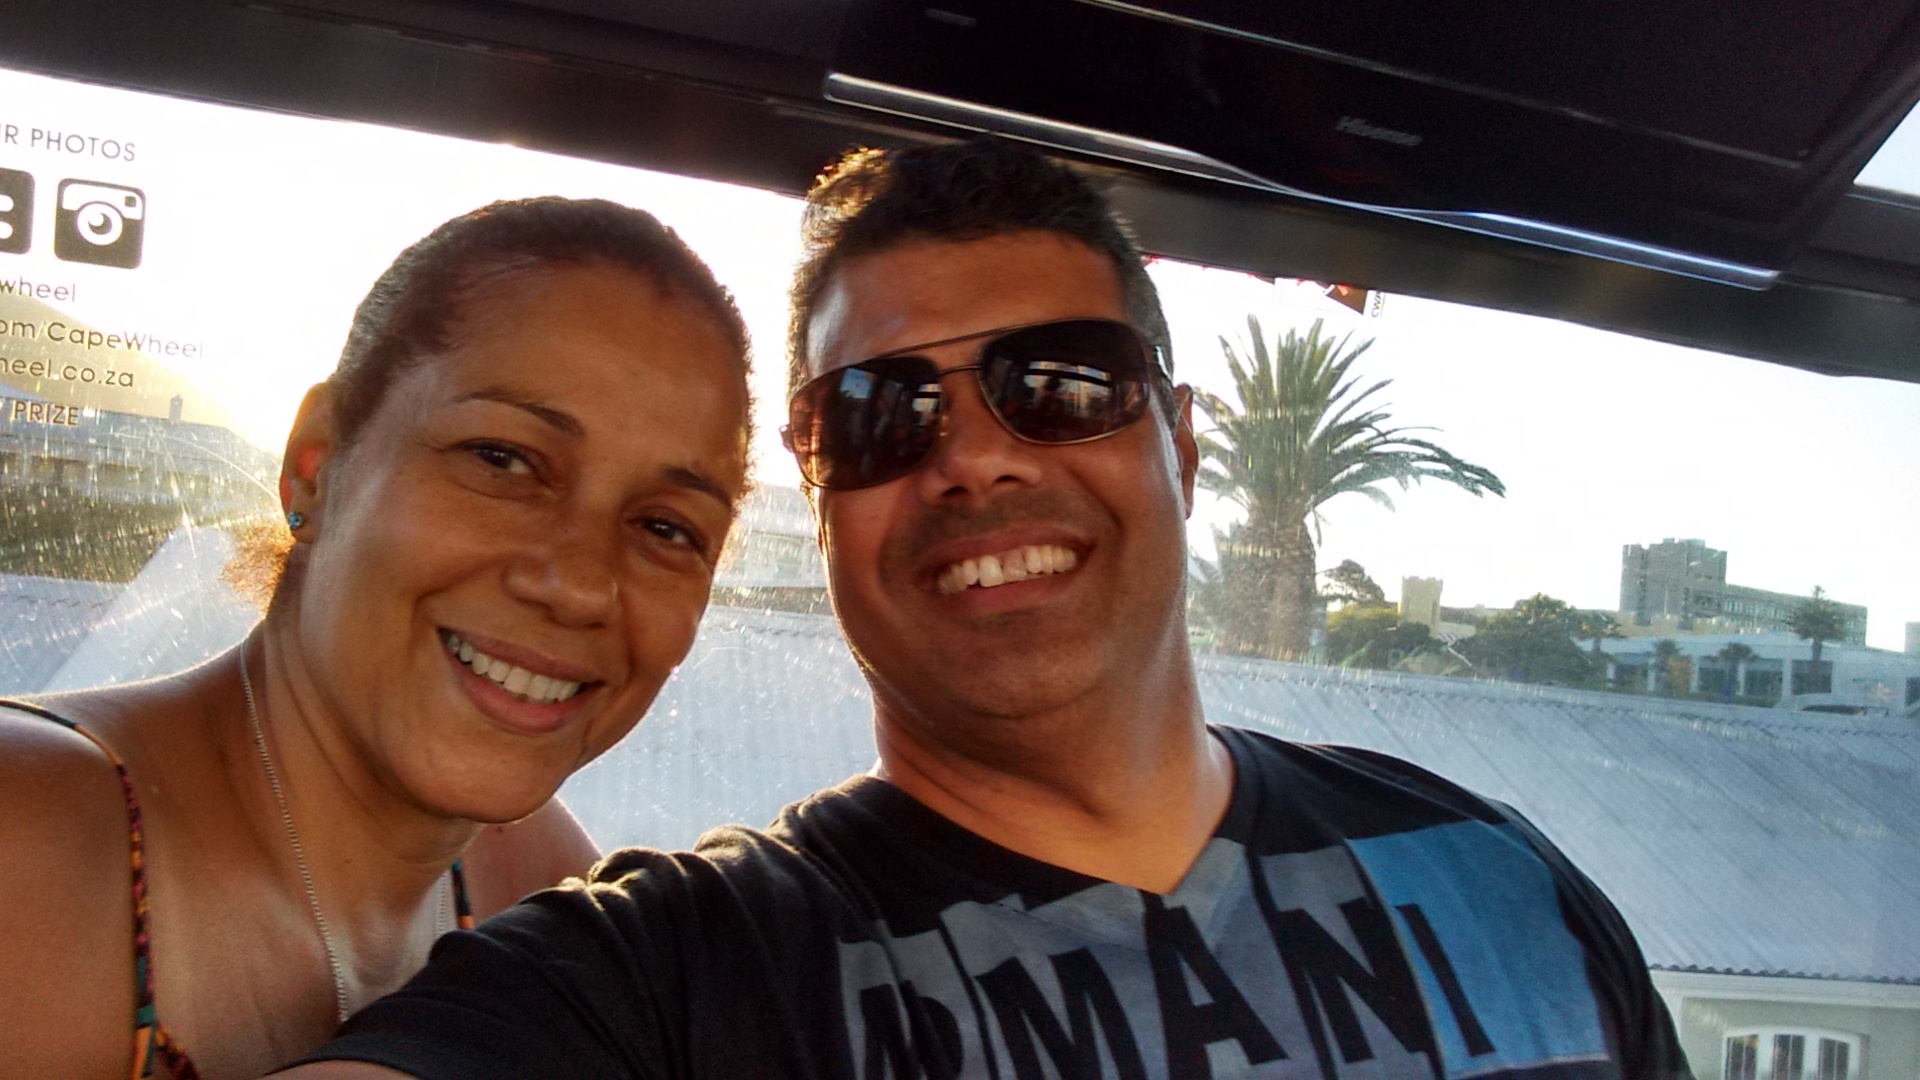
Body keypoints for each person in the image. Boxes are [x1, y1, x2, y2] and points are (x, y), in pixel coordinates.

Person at [283, 141, 1691, 1079]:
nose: (974, 459)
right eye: (880, 412)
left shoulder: (1498, 882)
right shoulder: (681, 976)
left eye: (1062, 382)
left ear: (1182, 445)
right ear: (821, 499)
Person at [0, 196, 752, 1079]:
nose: (582, 584)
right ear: (316, 466)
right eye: (502, 459)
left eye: (667, 528)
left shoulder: (545, 892)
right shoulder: (29, 838)